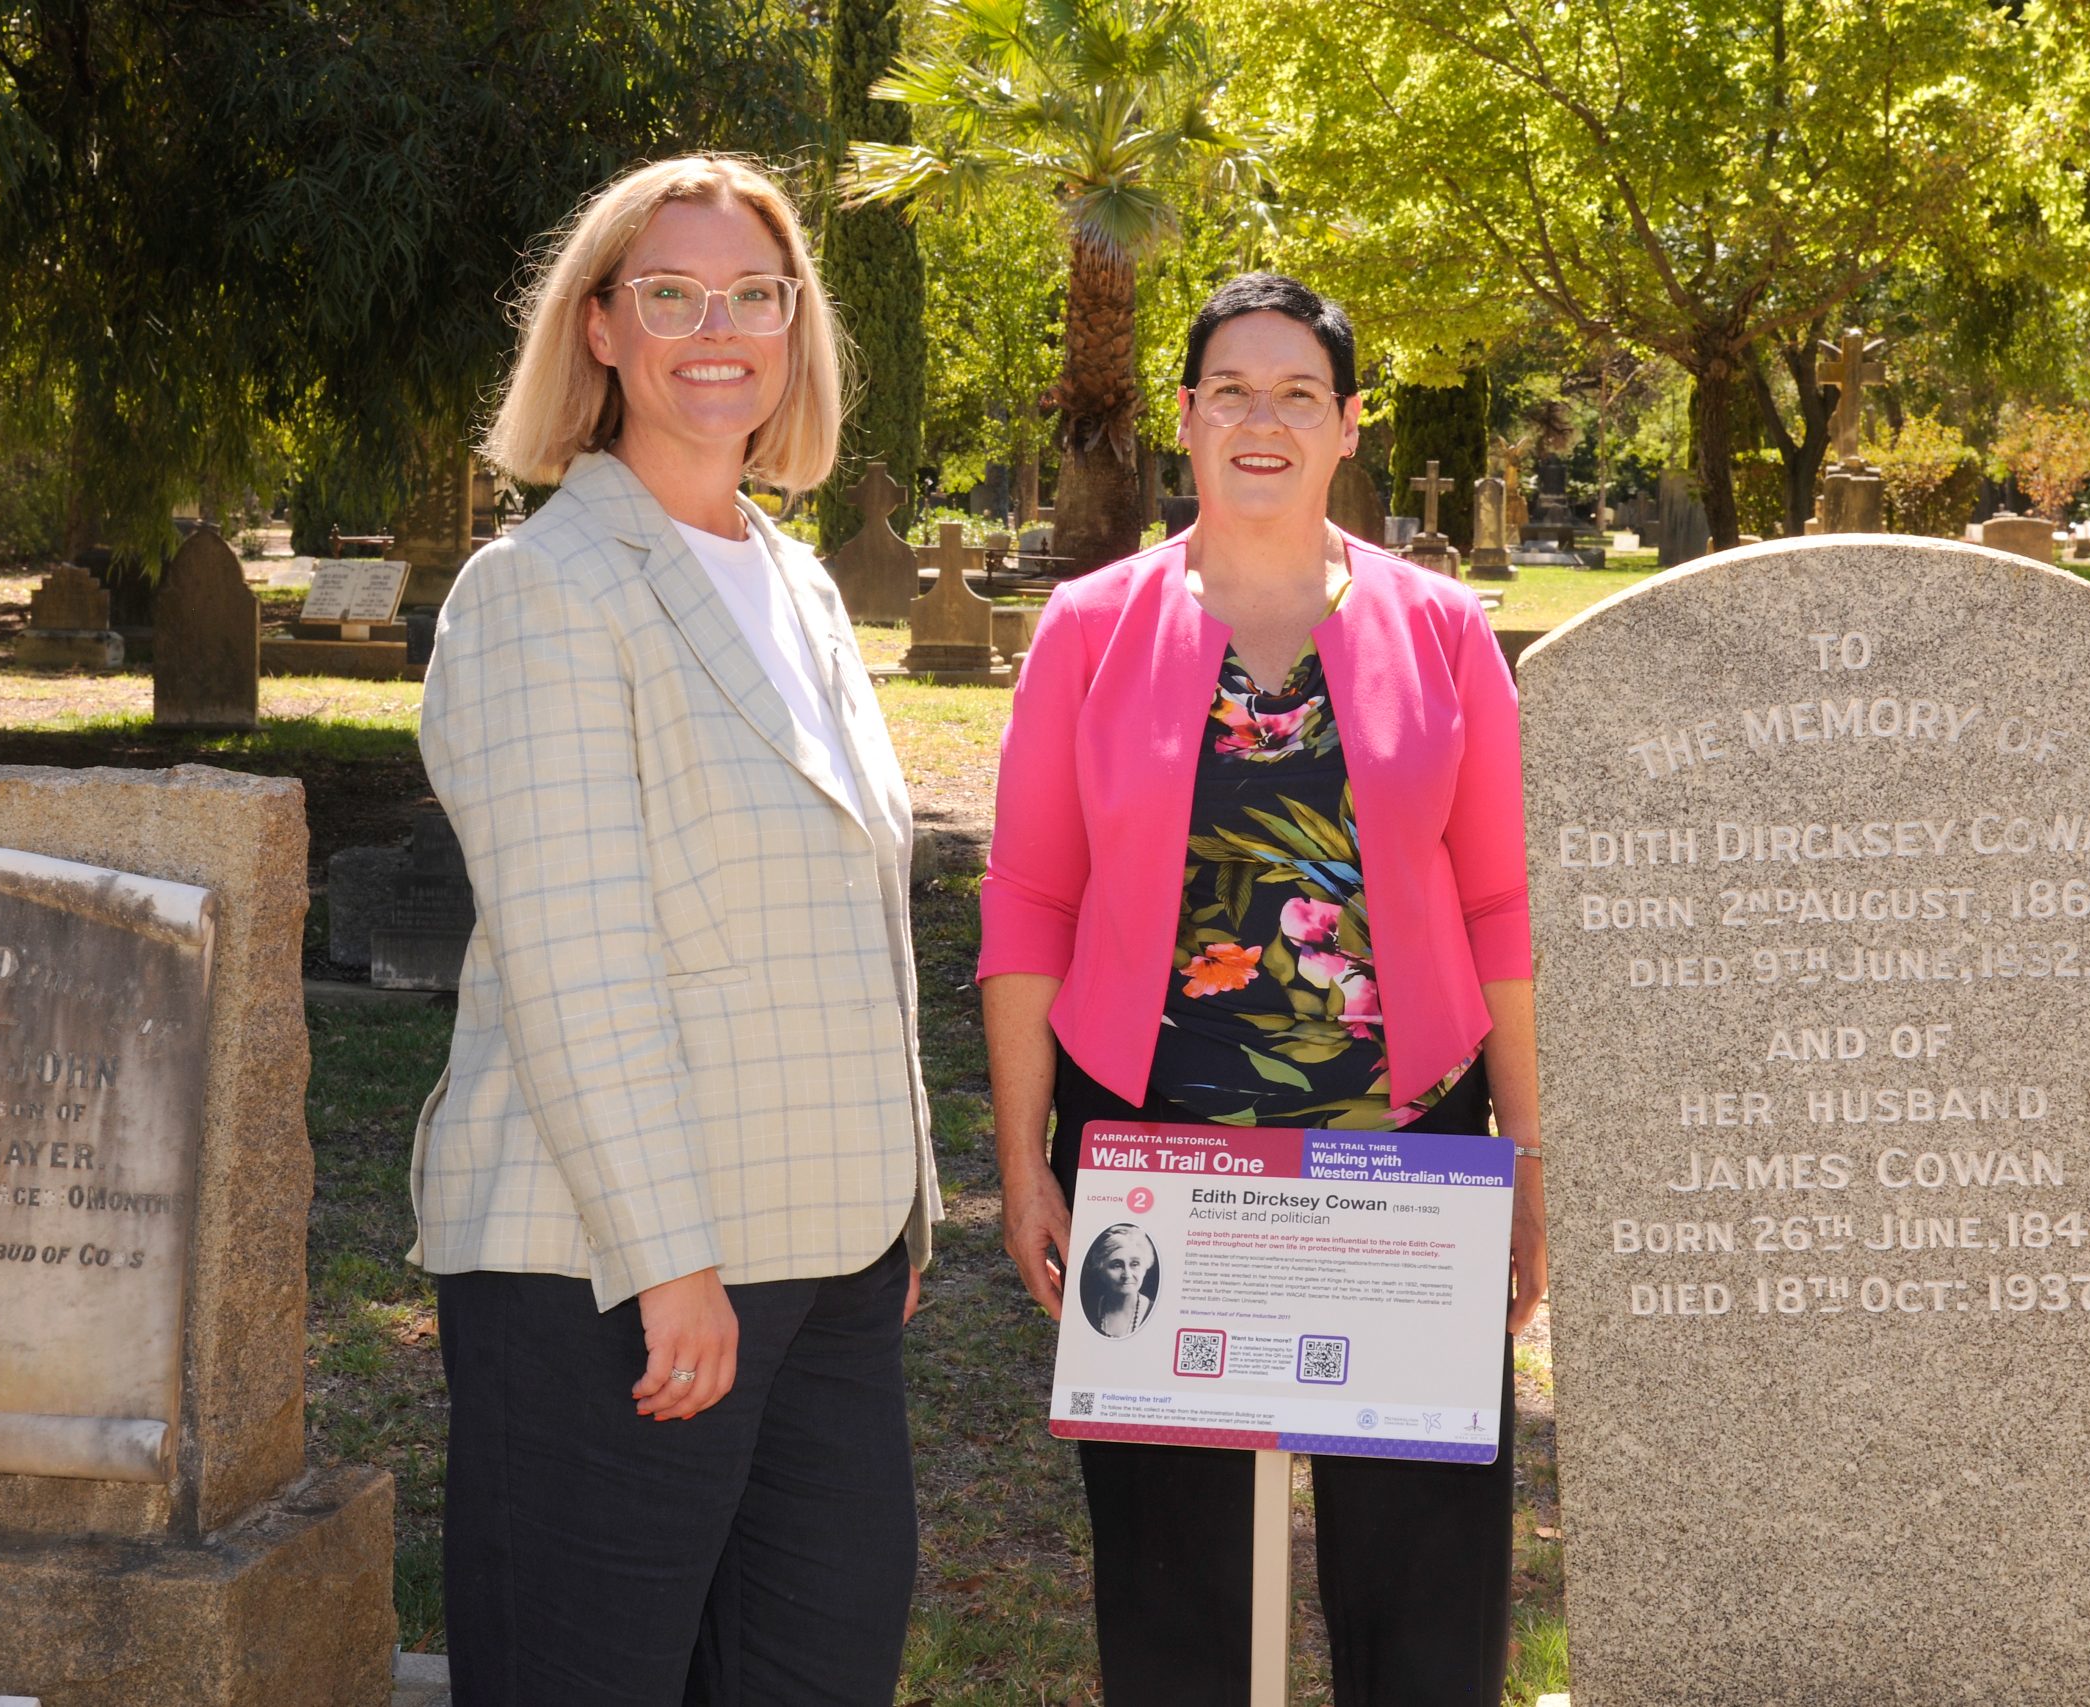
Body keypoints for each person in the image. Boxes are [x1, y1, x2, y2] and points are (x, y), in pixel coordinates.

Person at [410, 153, 940, 1707]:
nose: (720, 329)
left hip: (829, 1260)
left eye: (755, 295)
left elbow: (849, 916)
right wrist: (672, 1265)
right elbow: (581, 960)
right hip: (620, 1277)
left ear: (795, 325)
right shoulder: (544, 590)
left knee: (818, 1665)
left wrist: (899, 1197)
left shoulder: (801, 584)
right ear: (599, 329)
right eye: (671, 295)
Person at [978, 272, 1545, 1706]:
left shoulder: (1445, 630)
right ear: (1184, 416)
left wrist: (1530, 1159)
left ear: (1351, 424)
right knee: (1179, 1612)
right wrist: (1022, 1159)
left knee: (1425, 1605)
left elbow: (1499, 910)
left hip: (1406, 1164)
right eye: (1231, 387)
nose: (1264, 418)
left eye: (1301, 392)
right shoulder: (1090, 627)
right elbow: (1032, 900)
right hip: (1160, 1160)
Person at [1081, 1225, 1159, 1338]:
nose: (1127, 1275)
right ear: (1100, 1269)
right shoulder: (1088, 1309)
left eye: (1135, 1264)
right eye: (1117, 1265)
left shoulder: (1156, 1312)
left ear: (1145, 1267)